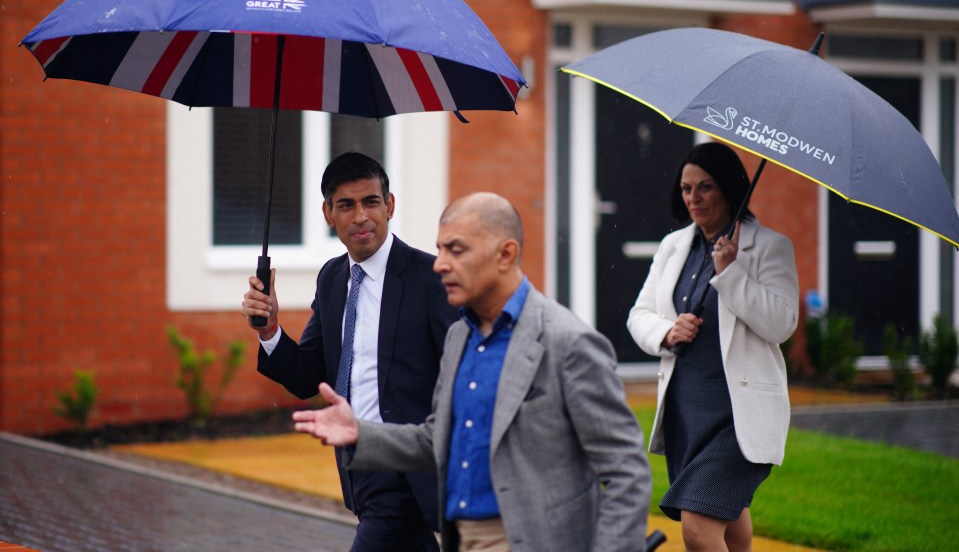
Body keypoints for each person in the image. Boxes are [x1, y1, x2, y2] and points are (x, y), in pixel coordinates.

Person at [292, 192, 653, 552]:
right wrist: (360, 434)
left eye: (457, 250)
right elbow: (438, 439)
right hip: (461, 538)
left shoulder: (568, 343)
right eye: (440, 249)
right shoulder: (460, 336)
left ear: (505, 254)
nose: (440, 264)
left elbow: (626, 473)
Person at [241, 151, 458, 552]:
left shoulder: (432, 278)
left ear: (389, 205)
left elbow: (463, 375)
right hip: (355, 463)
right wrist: (270, 329)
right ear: (328, 213)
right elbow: (309, 376)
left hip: (407, 468)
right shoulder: (332, 277)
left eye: (370, 202)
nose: (360, 216)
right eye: (346, 205)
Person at [626, 142, 799, 552]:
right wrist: (667, 332)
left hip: (739, 417)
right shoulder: (673, 246)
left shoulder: (770, 247)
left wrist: (732, 273)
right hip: (687, 412)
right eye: (686, 188)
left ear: (728, 188)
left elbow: (781, 323)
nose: (693, 198)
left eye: (705, 187)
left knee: (698, 529)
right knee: (729, 520)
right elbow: (639, 314)